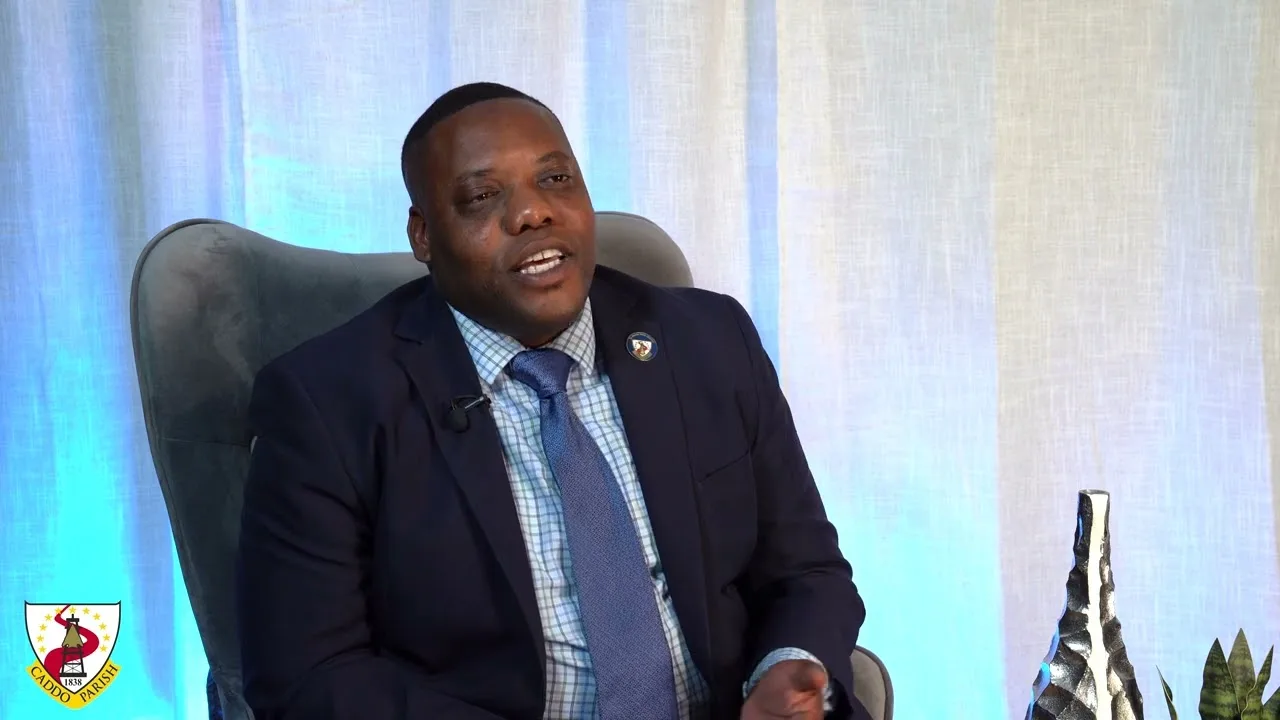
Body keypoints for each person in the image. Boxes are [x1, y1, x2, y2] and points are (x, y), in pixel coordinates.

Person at [236, 82, 867, 720]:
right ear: (423, 235)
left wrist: (788, 667)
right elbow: (308, 676)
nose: (533, 213)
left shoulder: (709, 339)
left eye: (556, 179)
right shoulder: (326, 401)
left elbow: (806, 570)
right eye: (483, 196)